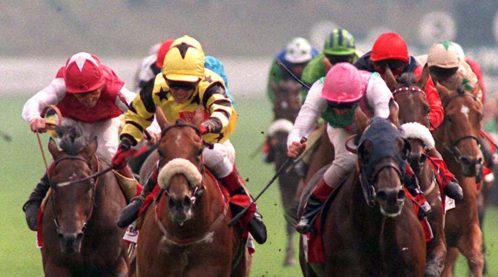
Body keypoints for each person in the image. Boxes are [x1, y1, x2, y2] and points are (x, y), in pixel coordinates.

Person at [114, 35, 267, 244]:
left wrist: (209, 125)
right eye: (174, 84)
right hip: (177, 142)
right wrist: (126, 140)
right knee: (165, 160)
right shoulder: (156, 86)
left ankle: (248, 209)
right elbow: (135, 115)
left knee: (218, 156)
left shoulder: (211, 83)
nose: (179, 91)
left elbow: (223, 109)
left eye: (186, 86)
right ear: (165, 76)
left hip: (210, 140)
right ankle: (142, 203)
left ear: (199, 78)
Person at [21, 52, 137, 230]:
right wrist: (35, 118)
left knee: (111, 153)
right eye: (82, 95)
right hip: (73, 120)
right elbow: (33, 103)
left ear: (101, 85)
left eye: (94, 92)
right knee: (67, 154)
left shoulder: (112, 87)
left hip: (105, 120)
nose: (89, 99)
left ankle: (137, 198)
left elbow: (139, 106)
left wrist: (152, 128)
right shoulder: (60, 84)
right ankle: (36, 198)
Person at [285, 62, 398, 233]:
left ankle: (418, 195)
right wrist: (294, 143)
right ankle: (312, 206)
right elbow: (300, 128)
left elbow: (382, 124)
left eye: (346, 105)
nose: (340, 111)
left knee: (393, 156)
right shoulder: (318, 92)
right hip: (341, 129)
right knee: (347, 161)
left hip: (380, 124)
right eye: (334, 105)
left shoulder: (375, 87)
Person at [354, 32, 444, 131]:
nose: (388, 75)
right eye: (381, 69)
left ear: (404, 65)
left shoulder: (416, 71)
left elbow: (436, 109)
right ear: (372, 63)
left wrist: (419, 124)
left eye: (395, 69)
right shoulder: (358, 72)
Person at [267, 37, 317, 103]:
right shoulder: (279, 63)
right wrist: (279, 103)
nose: (298, 69)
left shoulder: (317, 62)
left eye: (302, 64)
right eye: (294, 64)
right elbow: (272, 88)